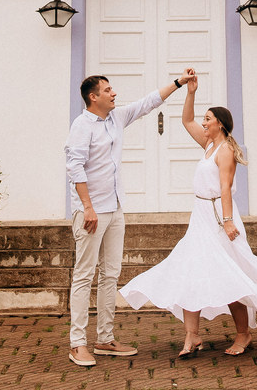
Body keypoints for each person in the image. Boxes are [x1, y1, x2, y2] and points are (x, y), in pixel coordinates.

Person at [119, 74, 257, 357]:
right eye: (204, 119)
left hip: (219, 217)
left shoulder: (226, 150)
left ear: (220, 123)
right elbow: (186, 120)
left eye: (208, 119)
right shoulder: (208, 144)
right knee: (191, 271)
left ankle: (243, 334)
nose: (203, 123)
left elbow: (225, 188)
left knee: (229, 274)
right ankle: (192, 335)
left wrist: (228, 222)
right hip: (200, 217)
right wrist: (190, 92)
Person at [64, 68, 194, 368]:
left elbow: (148, 102)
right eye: (108, 90)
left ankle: (105, 338)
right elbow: (75, 167)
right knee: (84, 275)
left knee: (110, 274)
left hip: (115, 207)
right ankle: (77, 344)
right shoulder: (82, 126)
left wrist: (179, 82)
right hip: (90, 211)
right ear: (93, 97)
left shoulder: (116, 118)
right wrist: (87, 207)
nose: (114, 93)